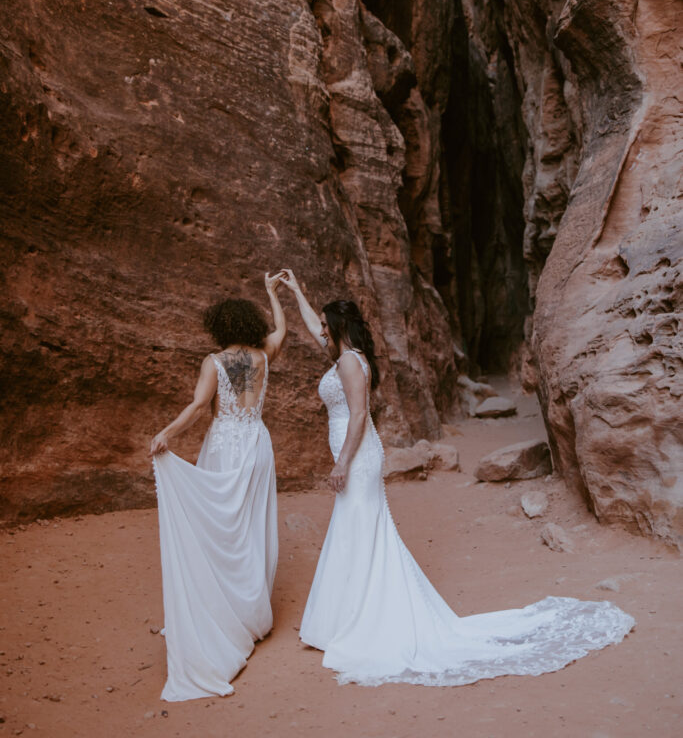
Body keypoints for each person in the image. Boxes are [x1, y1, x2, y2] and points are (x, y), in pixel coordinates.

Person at [279, 268, 635, 687]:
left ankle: (365, 622)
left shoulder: (349, 364)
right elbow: (312, 331)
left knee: (360, 531)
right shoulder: (343, 356)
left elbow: (359, 414)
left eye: (325, 324)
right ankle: (346, 619)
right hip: (354, 455)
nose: (320, 330)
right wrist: (295, 289)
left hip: (357, 456)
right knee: (356, 532)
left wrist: (341, 462)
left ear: (338, 327)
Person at [150, 272, 286, 701]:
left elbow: (196, 407)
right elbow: (281, 331)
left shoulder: (214, 362)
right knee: (251, 527)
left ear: (219, 328)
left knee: (219, 529)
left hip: (226, 446)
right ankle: (252, 615)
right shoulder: (264, 356)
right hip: (258, 445)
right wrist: (272, 295)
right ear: (249, 326)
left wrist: (167, 433)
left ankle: (224, 615)